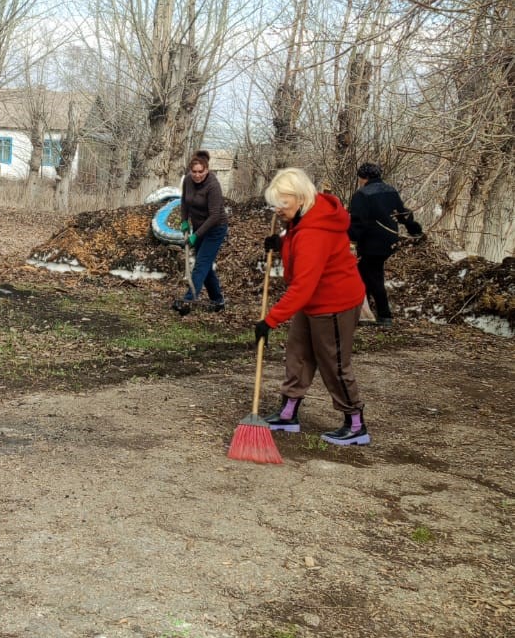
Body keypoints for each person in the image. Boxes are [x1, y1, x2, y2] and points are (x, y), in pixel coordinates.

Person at [254, 167, 369, 447]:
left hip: (335, 302)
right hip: (313, 300)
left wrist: (270, 320)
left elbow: (302, 285)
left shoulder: (313, 230)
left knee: (334, 363)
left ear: (301, 198)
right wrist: (282, 242)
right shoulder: (304, 218)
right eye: (275, 203)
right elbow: (298, 244)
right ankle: (288, 413)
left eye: (283, 203)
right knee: (299, 354)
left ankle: (355, 424)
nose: (278, 209)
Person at [348, 162, 422, 328]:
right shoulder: (390, 191)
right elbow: (402, 214)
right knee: (365, 274)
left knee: (373, 276)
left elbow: (357, 222)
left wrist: (350, 238)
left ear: (364, 178)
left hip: (370, 242)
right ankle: (363, 313)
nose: (359, 182)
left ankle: (384, 315)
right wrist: (414, 229)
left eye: (360, 178)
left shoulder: (362, 195)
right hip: (389, 240)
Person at [173, 150, 229, 315]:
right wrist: (184, 221)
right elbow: (184, 202)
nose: (197, 175)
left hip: (215, 228)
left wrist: (195, 236)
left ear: (207, 170)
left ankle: (188, 300)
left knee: (201, 264)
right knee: (205, 264)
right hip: (198, 227)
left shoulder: (213, 185)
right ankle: (217, 300)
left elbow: (215, 216)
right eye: (194, 172)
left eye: (200, 172)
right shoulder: (188, 180)